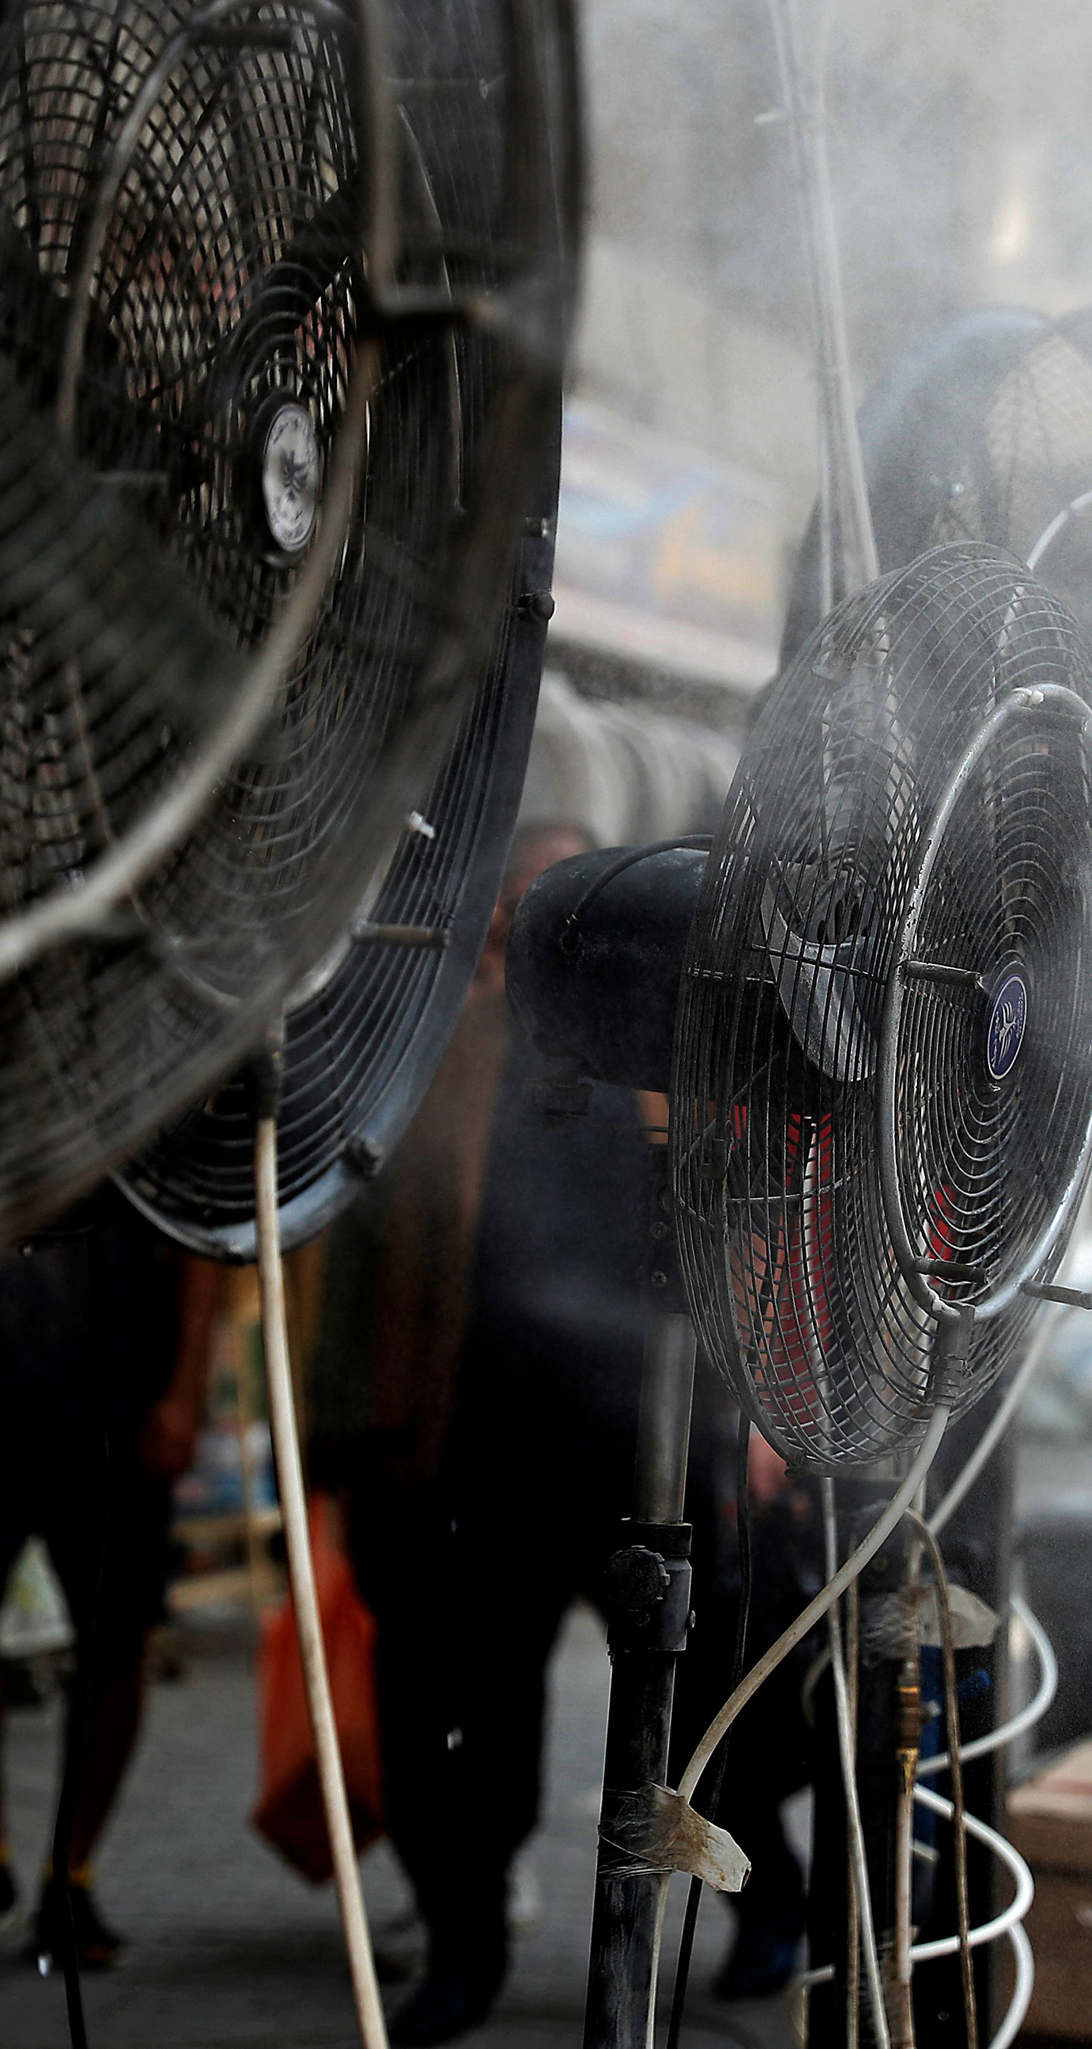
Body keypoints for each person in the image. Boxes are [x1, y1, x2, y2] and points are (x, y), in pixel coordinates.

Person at [336, 824, 802, 2044]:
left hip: (659, 1435)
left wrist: (760, 1414)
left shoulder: (687, 1058)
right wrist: (373, 1435)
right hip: (490, 1442)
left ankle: (764, 1904)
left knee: (712, 1703)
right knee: (470, 1712)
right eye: (518, 923)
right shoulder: (449, 1059)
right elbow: (384, 1257)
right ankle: (464, 1942)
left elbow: (755, 1227)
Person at [0, 1191, 217, 1969]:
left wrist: (185, 1388)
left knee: (115, 1635)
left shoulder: (150, 1090)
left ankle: (72, 1870)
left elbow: (200, 1243)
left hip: (117, 1384)